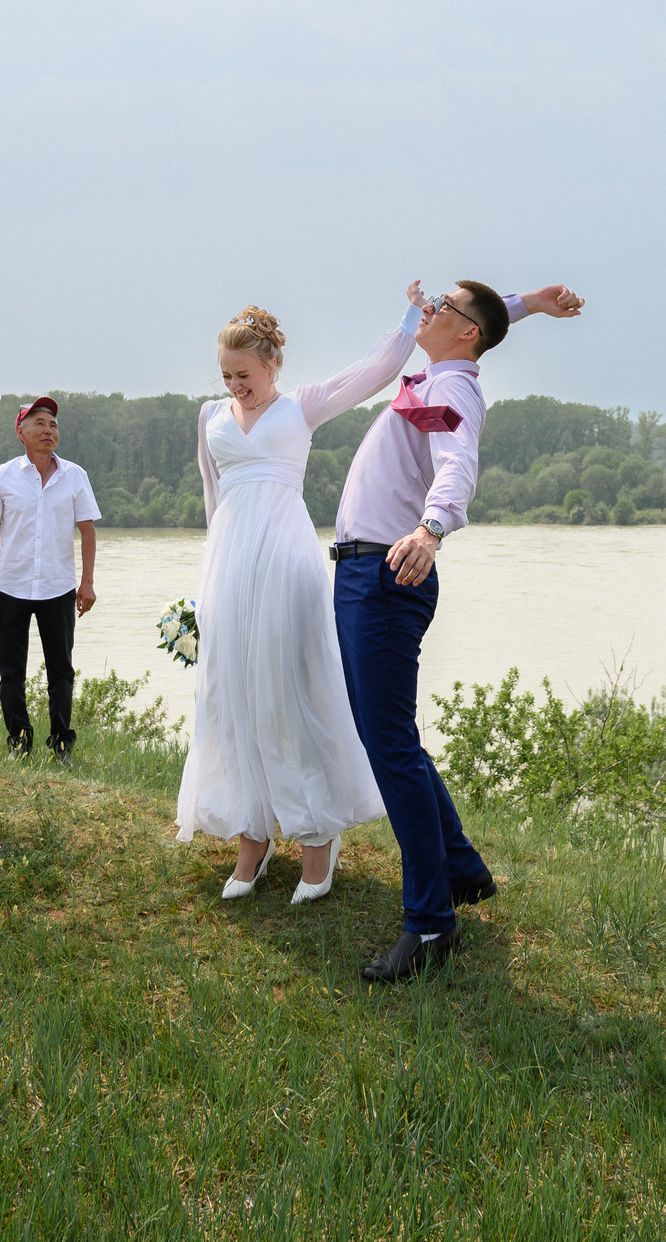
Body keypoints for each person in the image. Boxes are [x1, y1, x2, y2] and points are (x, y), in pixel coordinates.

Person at [335, 279, 585, 981]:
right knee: (392, 739)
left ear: (464, 332)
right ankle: (464, 871)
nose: (429, 310)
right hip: (366, 570)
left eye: (442, 307)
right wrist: (529, 302)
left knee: (389, 748)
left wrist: (432, 528)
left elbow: (457, 464)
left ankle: (431, 924)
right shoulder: (435, 372)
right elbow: (483, 312)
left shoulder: (452, 391)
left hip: (387, 572)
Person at [173, 293, 422, 907]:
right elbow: (215, 502)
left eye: (246, 376)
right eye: (228, 376)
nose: (237, 386)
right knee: (232, 694)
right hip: (230, 565)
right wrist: (208, 588)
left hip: (285, 561)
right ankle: (251, 836)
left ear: (272, 365)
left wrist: (414, 318)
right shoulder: (210, 416)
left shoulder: (300, 407)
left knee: (287, 690)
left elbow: (375, 370)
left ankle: (318, 836)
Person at [0, 398, 98, 761]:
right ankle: (19, 742)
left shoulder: (75, 475)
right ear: (21, 432)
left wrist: (87, 583)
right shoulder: (3, 476)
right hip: (10, 588)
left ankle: (62, 744)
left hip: (58, 588)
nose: (49, 431)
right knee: (10, 670)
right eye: (40, 424)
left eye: (54, 425)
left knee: (61, 670)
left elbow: (88, 532)